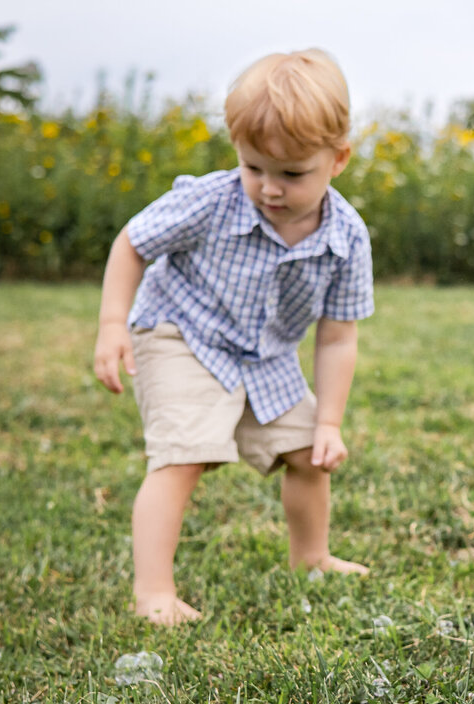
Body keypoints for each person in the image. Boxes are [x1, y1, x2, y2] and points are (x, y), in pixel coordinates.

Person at [93, 49, 373, 626]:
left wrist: (328, 423)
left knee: (308, 458)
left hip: (262, 356)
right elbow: (133, 242)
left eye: (291, 173)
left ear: (338, 159)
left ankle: (312, 558)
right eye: (254, 168)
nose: (269, 188)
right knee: (183, 455)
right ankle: (153, 593)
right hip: (179, 333)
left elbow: (337, 337)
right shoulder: (210, 200)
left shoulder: (347, 238)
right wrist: (111, 324)